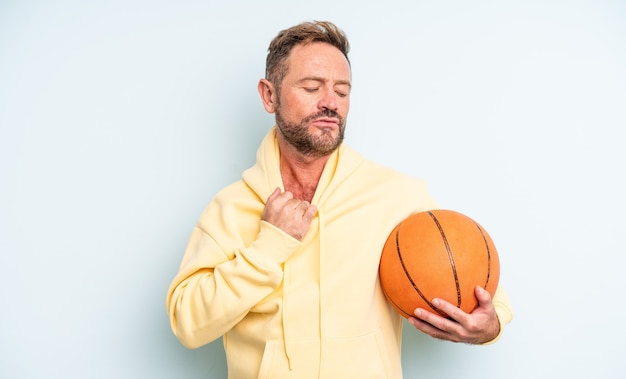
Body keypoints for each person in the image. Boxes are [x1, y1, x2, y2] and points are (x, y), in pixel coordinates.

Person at [166, 20, 513, 378]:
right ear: (269, 95)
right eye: (312, 87)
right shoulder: (230, 207)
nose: (330, 103)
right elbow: (188, 324)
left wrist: (491, 324)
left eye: (342, 91)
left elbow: (477, 286)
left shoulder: (396, 194)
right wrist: (269, 247)